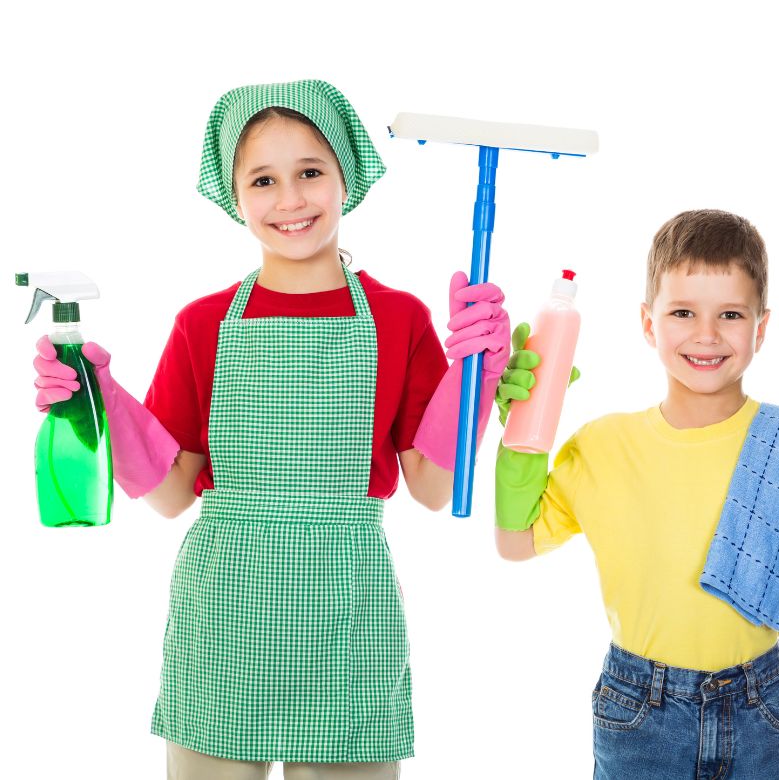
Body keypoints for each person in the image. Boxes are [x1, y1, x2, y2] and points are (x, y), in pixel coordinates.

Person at [31, 79, 511, 779]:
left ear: (347, 175)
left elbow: (435, 488)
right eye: (263, 179)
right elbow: (170, 495)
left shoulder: (400, 318)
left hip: (348, 614)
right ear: (235, 196)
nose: (290, 200)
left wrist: (478, 374)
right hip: (224, 616)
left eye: (310, 172)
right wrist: (95, 404)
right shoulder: (203, 323)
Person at [493, 209, 779, 779]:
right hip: (638, 712)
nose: (706, 334)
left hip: (761, 709)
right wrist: (522, 437)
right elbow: (516, 542)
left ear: (762, 327)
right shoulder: (601, 446)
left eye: (730, 313)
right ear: (648, 324)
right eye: (682, 312)